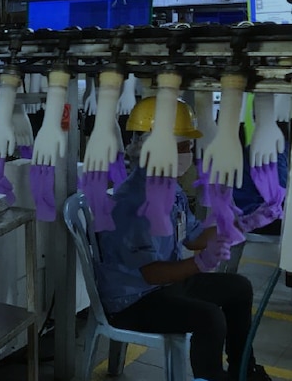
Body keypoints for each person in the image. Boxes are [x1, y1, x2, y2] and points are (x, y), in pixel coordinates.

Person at [95, 96, 271, 381]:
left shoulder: (169, 188)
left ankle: (243, 369)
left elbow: (193, 237)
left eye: (188, 146)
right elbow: (151, 274)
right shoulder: (130, 203)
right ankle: (211, 377)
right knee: (210, 318)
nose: (188, 153)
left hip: (166, 285)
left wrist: (242, 223)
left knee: (239, 287)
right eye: (182, 147)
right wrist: (200, 263)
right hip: (133, 300)